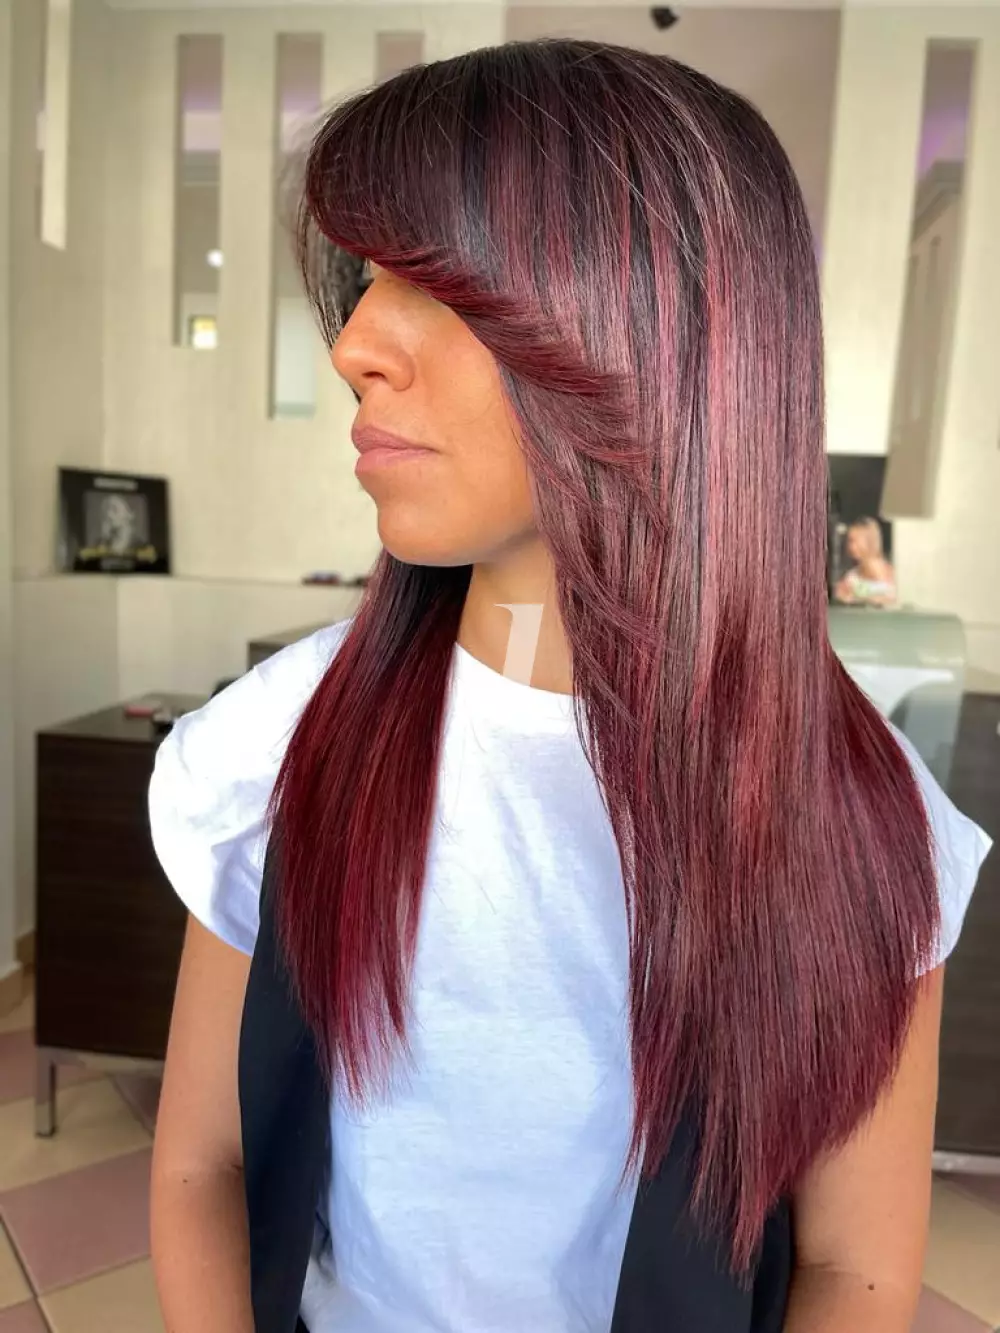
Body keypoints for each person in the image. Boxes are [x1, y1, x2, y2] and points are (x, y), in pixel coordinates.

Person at [147, 40, 991, 1333]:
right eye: (368, 281)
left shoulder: (851, 820)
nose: (357, 344)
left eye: (445, 284)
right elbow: (203, 1163)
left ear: (664, 336)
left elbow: (855, 1267)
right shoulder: (278, 744)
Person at [834, 517, 898, 607]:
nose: (849, 546)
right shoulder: (851, 578)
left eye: (853, 541)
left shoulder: (894, 575)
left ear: (869, 541)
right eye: (849, 541)